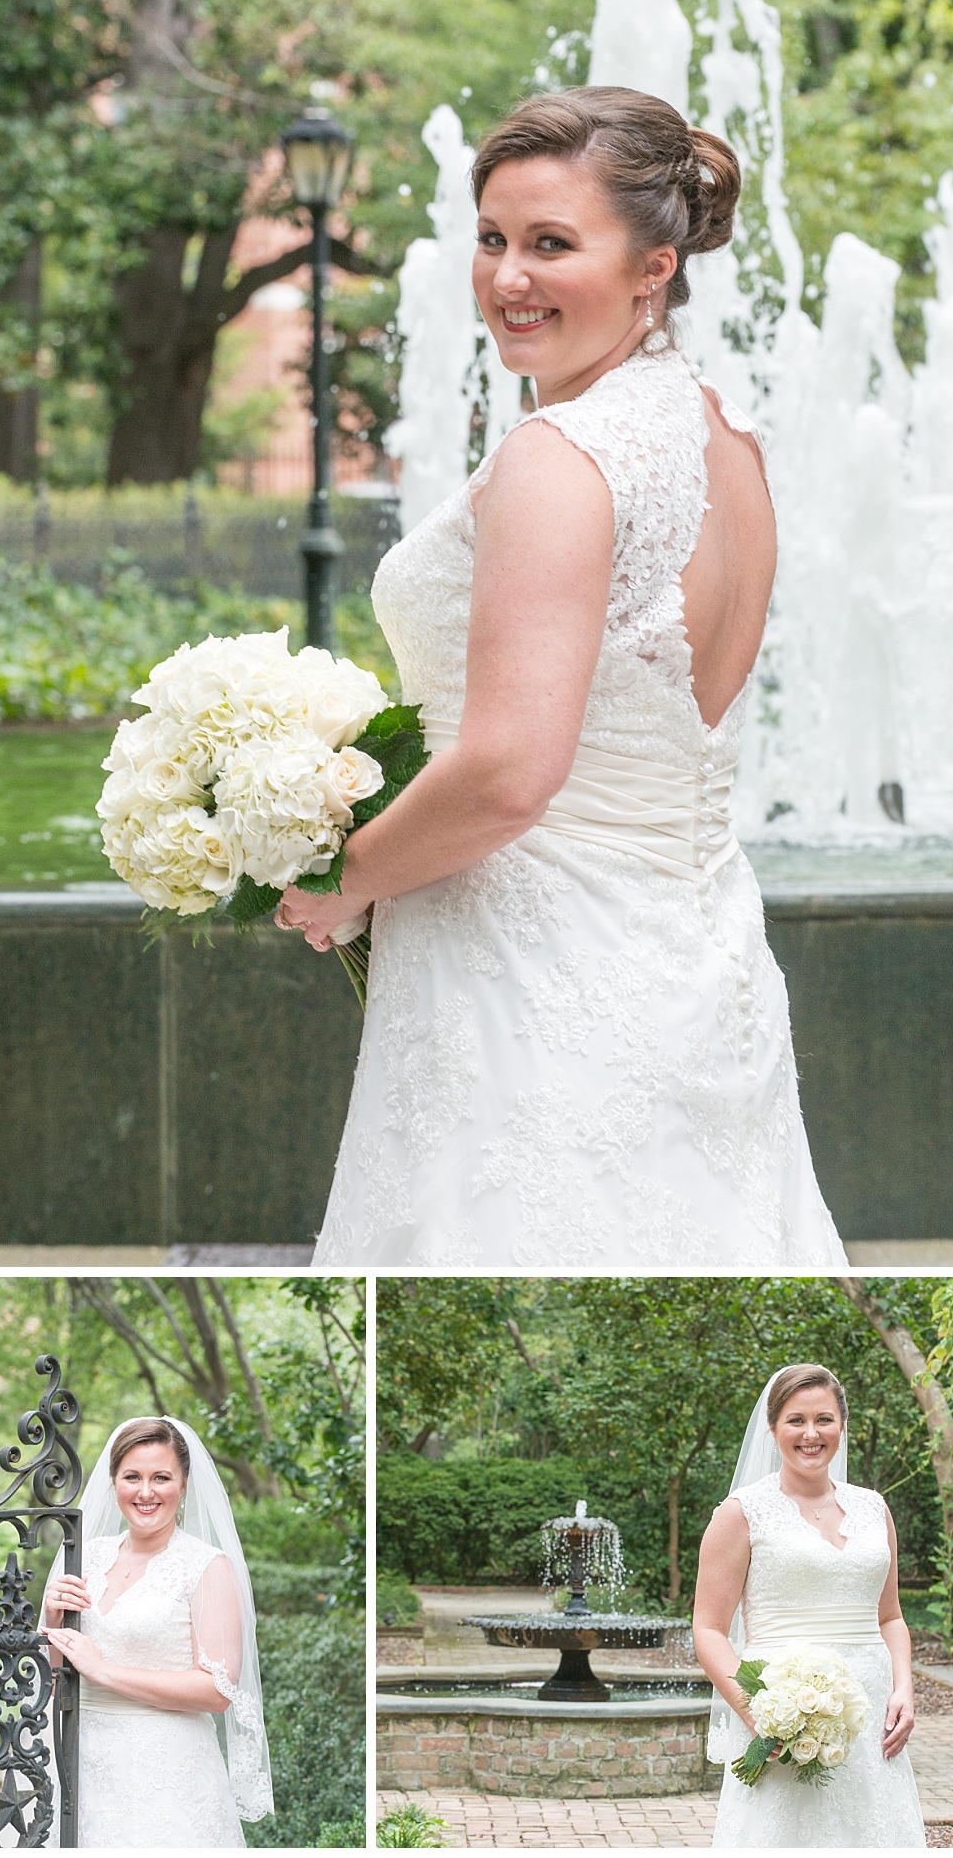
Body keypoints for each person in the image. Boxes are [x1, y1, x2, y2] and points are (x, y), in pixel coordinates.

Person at [284, 85, 845, 1270]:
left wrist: (343, 879)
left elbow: (506, 774)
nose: (508, 278)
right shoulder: (720, 437)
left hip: (529, 989)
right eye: (493, 239)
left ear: (652, 267)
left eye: (552, 244)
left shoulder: (563, 457)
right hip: (695, 960)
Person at [693, 1363, 925, 1848]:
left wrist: (903, 1688)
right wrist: (759, 1712)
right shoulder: (740, 1513)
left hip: (869, 1715)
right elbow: (709, 1630)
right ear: (773, 1427)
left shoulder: (873, 1508)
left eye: (824, 1419)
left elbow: (891, 1617)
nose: (811, 1434)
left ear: (842, 1424)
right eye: (796, 1420)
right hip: (781, 1715)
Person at [41, 1416, 271, 1848]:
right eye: (132, 1477)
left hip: (165, 1771)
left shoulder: (205, 1566)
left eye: (161, 1477)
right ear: (114, 1483)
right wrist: (53, 1619)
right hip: (77, 1759)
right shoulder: (85, 1557)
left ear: (183, 1485)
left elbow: (217, 1691)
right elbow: (55, 1679)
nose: (145, 1492)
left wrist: (105, 1671)